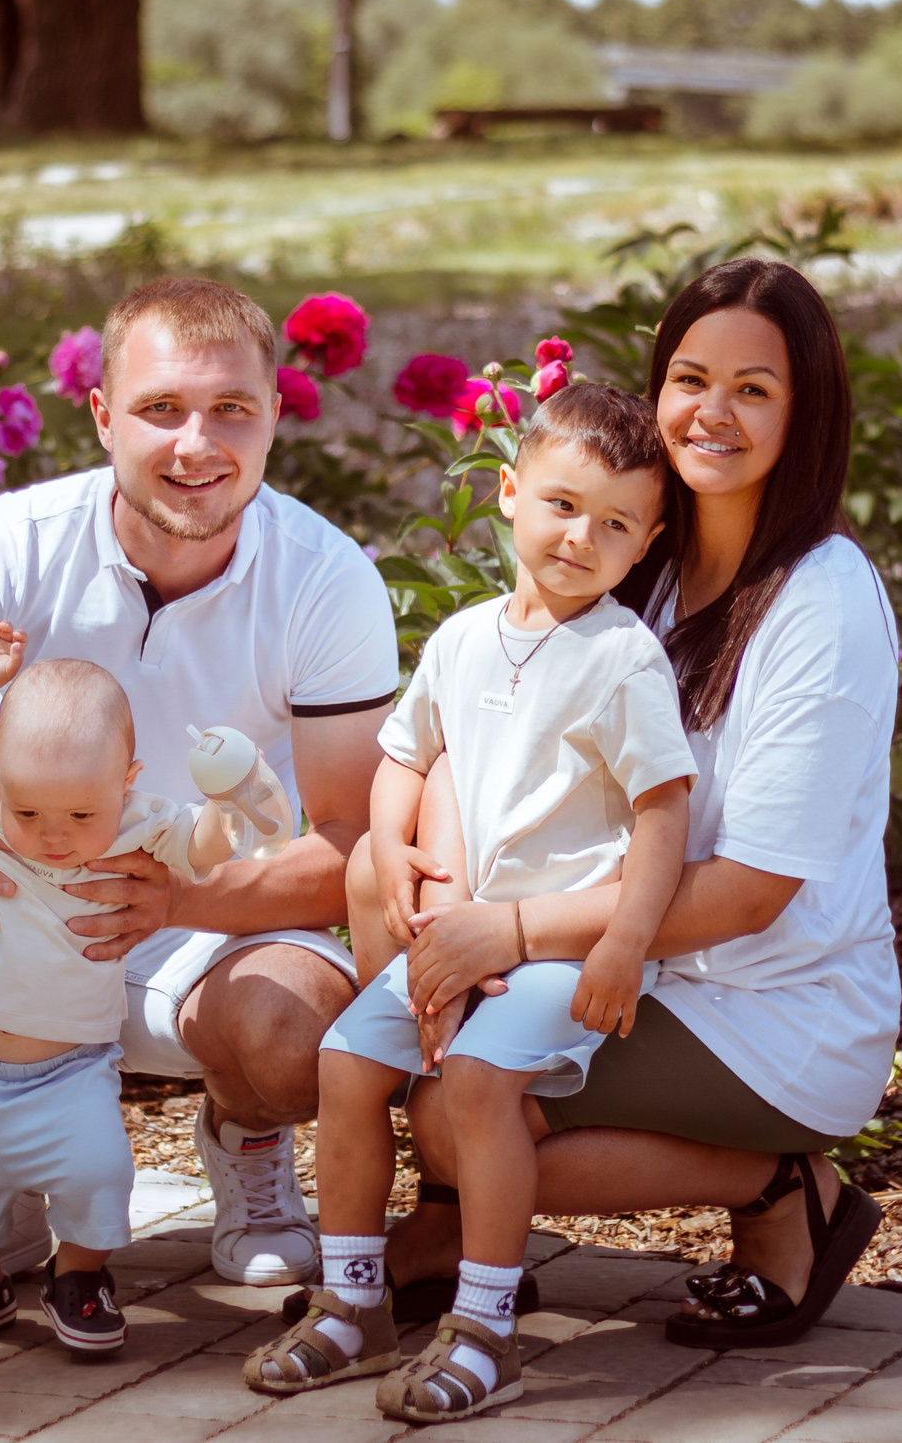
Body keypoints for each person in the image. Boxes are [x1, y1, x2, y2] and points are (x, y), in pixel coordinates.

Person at [0, 277, 398, 1318]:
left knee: (297, 1034)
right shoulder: (9, 547)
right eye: (160, 409)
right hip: (12, 903)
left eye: (231, 409)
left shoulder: (325, 580)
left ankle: (245, 1148)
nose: (197, 443)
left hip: (212, 915)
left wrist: (174, 901)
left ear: (275, 415)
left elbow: (347, 841)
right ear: (103, 416)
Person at [367, 257, 902, 1350]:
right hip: (618, 961)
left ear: (805, 417)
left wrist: (506, 931)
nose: (711, 412)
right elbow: (479, 737)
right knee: (432, 1083)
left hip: (768, 1006)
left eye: (753, 389)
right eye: (690, 379)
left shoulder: (821, 605)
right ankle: (459, 1238)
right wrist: (454, 901)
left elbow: (751, 893)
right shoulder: (635, 558)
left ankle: (782, 1184)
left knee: (463, 1122)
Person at [241, 382, 696, 1422]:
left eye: (616, 524)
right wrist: (393, 854)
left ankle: (488, 1323)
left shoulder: (621, 658)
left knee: (482, 1081)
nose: (583, 537)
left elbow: (663, 814)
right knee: (347, 1062)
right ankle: (353, 1302)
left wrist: (628, 940)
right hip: (464, 927)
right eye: (562, 504)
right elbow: (405, 760)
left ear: (646, 543)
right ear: (508, 492)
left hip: (564, 949)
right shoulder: (461, 638)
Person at [0, 621, 283, 1349]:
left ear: (127, 780)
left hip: (68, 1070)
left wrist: (230, 800)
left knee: (98, 1176)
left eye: (79, 813)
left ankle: (79, 1273)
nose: (53, 834)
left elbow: (200, 851)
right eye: (30, 810)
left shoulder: (139, 824)